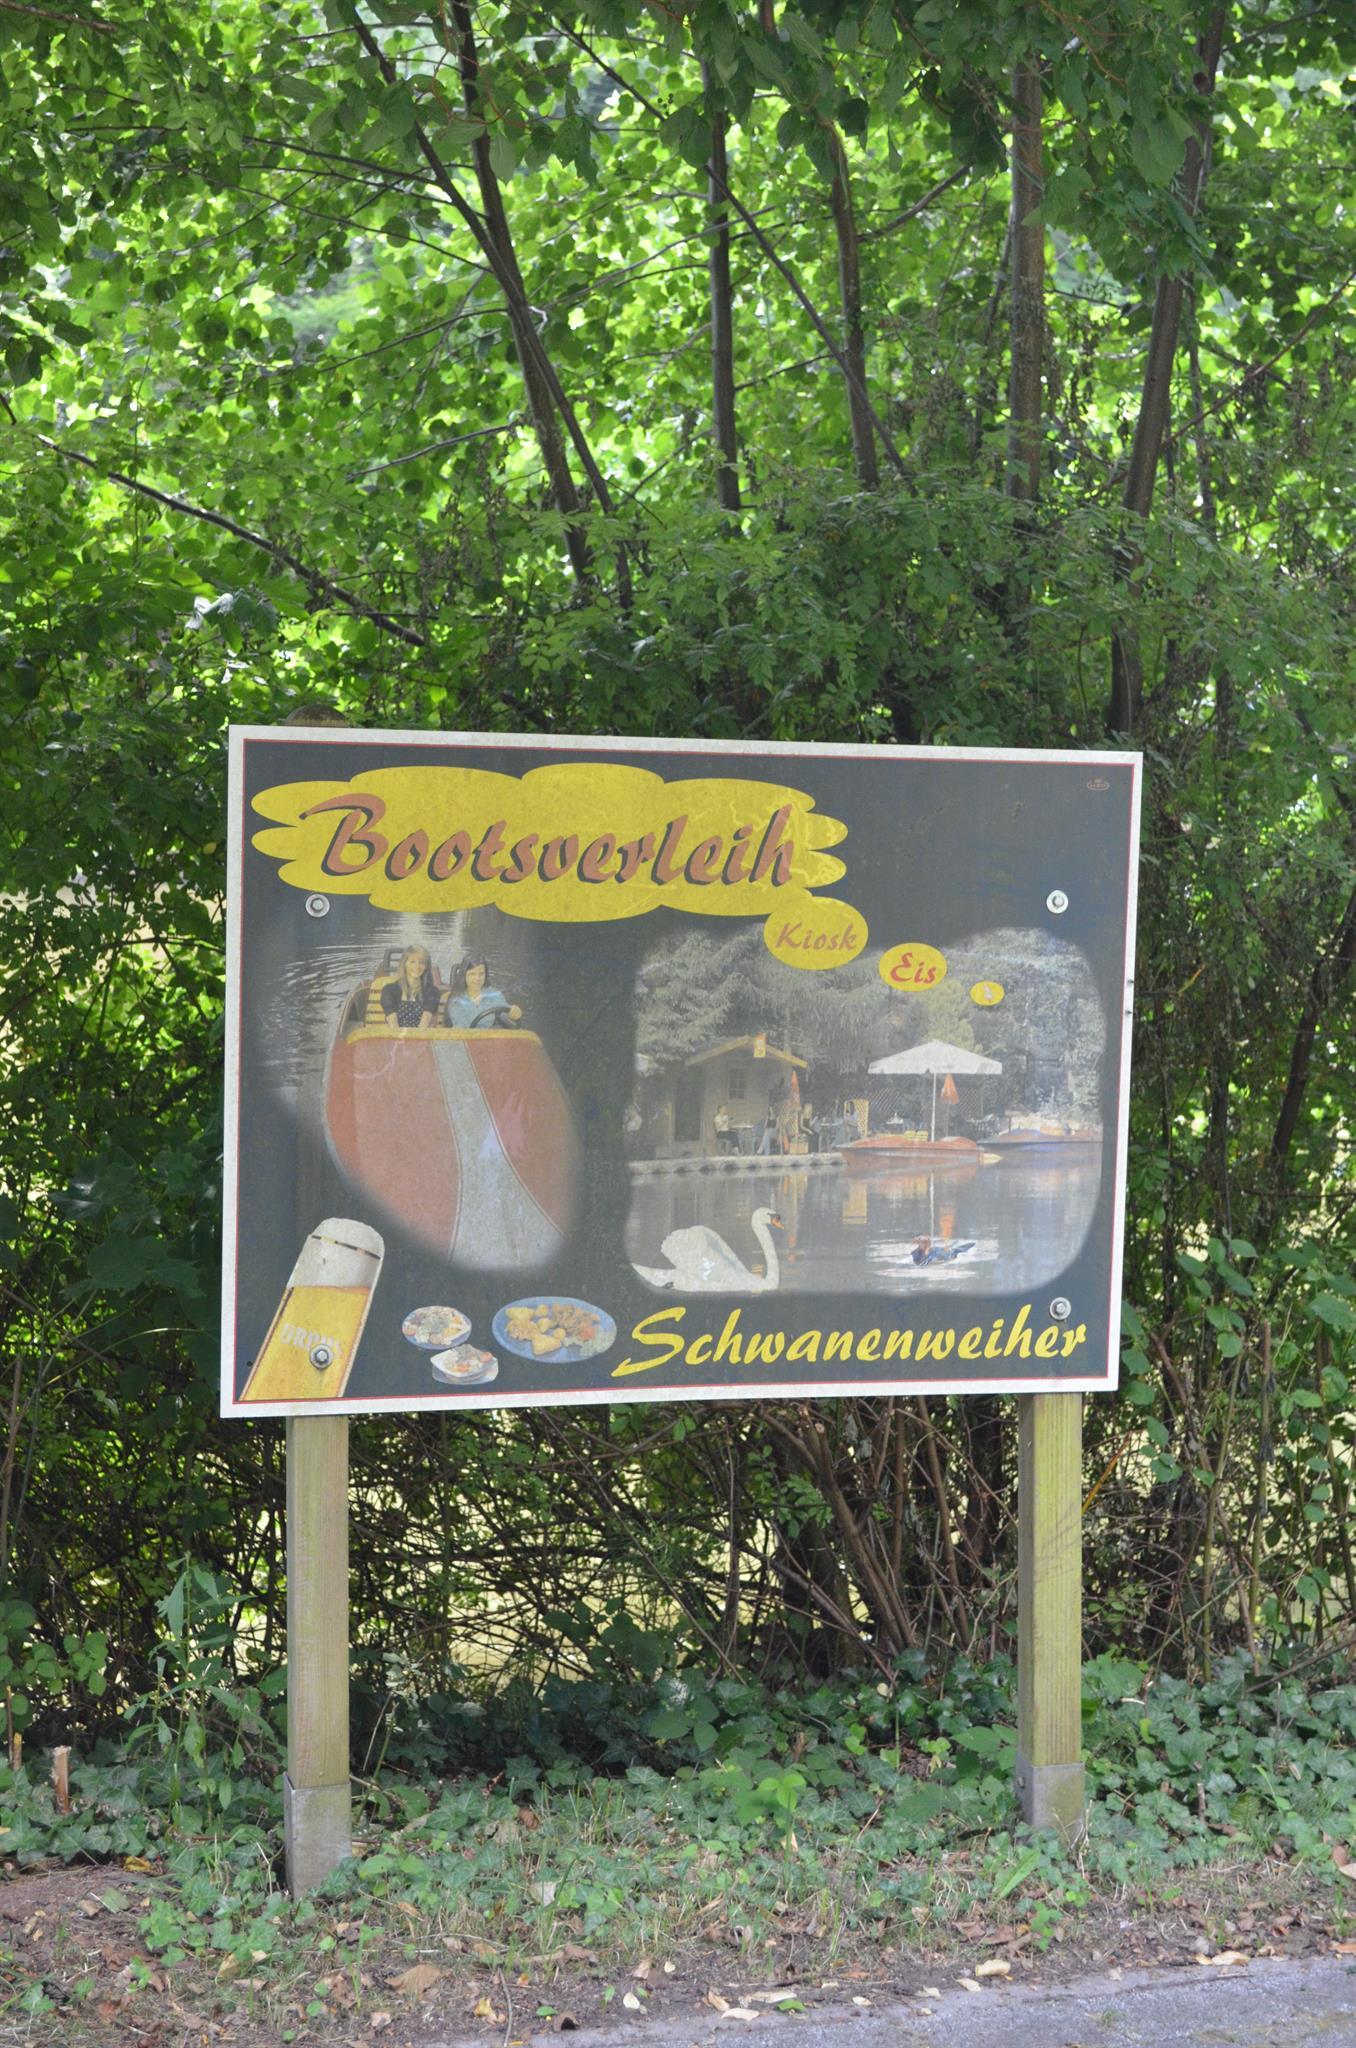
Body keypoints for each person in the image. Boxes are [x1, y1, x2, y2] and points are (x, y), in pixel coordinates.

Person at [444, 957, 522, 1029]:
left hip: (489, 1037)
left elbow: (505, 1011)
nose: (477, 978)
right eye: (472, 974)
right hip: (466, 1037)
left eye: (481, 974)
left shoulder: (493, 994)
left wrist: (513, 1013)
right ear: (464, 976)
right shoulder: (456, 1000)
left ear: (486, 975)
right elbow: (461, 1026)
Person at [380, 946, 439, 1029]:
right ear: (404, 964)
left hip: (421, 1035)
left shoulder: (432, 992)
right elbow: (393, 1023)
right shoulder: (389, 990)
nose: (417, 966)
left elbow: (424, 1024)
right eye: (412, 962)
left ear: (426, 966)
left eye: (421, 963)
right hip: (396, 1035)